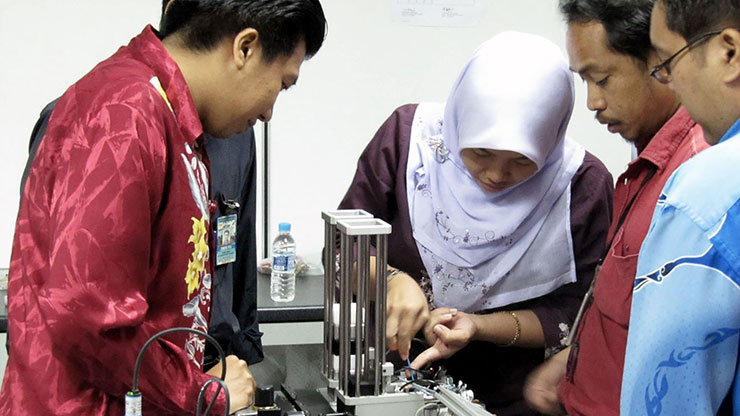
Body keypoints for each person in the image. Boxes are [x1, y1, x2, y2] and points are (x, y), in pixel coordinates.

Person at [0, 1, 326, 415]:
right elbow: (91, 318)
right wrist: (202, 393)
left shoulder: (175, 118)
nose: (268, 112)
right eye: (281, 84)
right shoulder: (123, 114)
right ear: (245, 48)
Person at [338, 31, 614, 415]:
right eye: (481, 152)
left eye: (522, 160)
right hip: (388, 380)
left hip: (510, 396)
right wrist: (389, 278)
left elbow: (575, 312)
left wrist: (479, 326)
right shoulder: (409, 143)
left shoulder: (581, 186)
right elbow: (342, 247)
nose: (496, 175)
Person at [524, 1, 708, 414]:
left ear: (658, 61)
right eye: (584, 82)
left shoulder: (691, 180)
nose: (592, 102)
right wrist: (572, 359)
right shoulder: (647, 168)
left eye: (603, 79)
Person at [619, 0, 740, 414]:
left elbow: (667, 397)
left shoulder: (708, 194)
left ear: (729, 52)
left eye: (668, 62)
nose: (669, 82)